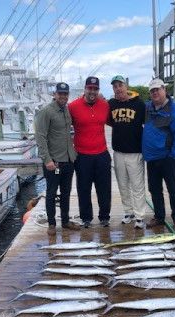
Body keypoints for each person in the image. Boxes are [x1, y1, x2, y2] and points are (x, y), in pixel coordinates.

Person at [34, 82, 80, 235]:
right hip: (54, 162)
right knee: (52, 193)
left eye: (65, 94)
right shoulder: (46, 111)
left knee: (66, 192)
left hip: (68, 159)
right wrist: (47, 159)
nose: (63, 96)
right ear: (55, 94)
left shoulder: (66, 110)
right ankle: (52, 223)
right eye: (60, 93)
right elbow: (40, 137)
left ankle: (65, 221)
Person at [142, 78, 175, 231]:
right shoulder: (148, 108)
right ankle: (159, 217)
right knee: (154, 189)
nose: (155, 93)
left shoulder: (174, 110)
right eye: (152, 91)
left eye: (158, 89)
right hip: (152, 158)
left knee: (172, 188)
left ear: (164, 90)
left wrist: (174, 155)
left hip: (168, 157)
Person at [68, 76, 111, 228]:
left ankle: (104, 217)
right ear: (85, 89)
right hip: (82, 155)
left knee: (104, 188)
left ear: (98, 90)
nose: (92, 91)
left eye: (95, 89)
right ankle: (86, 218)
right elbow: (63, 128)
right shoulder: (73, 106)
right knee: (84, 188)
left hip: (102, 153)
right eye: (89, 88)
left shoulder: (105, 105)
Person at [108, 75, 146, 229]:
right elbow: (109, 122)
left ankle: (140, 216)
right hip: (118, 152)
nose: (118, 89)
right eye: (115, 86)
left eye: (120, 85)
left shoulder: (139, 104)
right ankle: (128, 212)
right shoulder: (111, 104)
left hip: (135, 152)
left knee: (137, 185)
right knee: (123, 185)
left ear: (126, 86)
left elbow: (147, 124)